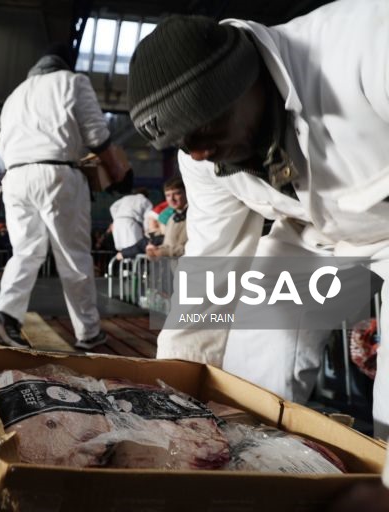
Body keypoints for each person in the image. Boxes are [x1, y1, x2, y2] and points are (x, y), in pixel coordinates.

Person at [126, 3, 389, 437]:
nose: (197, 153)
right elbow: (212, 270)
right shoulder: (203, 158)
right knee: (252, 379)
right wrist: (169, 393)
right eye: (182, 142)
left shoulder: (365, 46)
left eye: (204, 128)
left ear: (243, 83)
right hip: (316, 234)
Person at [0, 43, 132, 351]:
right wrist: (118, 171)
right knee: (73, 257)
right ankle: (89, 333)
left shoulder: (15, 96)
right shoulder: (72, 81)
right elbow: (96, 133)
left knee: (25, 251)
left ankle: (6, 314)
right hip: (56, 175)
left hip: (16, 177)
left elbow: (2, 146)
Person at [144, 177, 187, 262]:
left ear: (186, 193)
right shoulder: (172, 218)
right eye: (168, 195)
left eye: (177, 194)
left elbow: (191, 247)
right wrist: (154, 250)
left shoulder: (194, 216)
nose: (172, 199)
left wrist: (161, 252)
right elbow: (168, 244)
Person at [110, 188, 152, 261]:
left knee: (122, 248)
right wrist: (146, 231)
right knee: (134, 249)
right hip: (131, 222)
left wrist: (115, 218)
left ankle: (123, 269)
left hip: (117, 222)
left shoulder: (126, 198)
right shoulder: (145, 200)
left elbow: (112, 207)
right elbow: (148, 218)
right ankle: (133, 269)